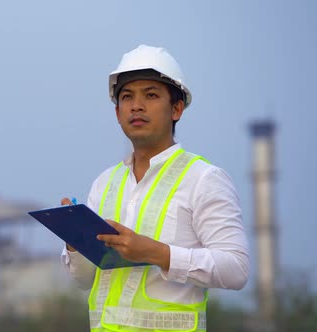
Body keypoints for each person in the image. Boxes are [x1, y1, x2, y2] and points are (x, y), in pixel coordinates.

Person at [60, 45, 250, 332]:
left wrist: (156, 252)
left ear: (177, 108)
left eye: (150, 95)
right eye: (127, 97)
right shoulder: (104, 183)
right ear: (117, 112)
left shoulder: (203, 178)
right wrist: (73, 242)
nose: (136, 105)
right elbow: (84, 280)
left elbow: (236, 269)